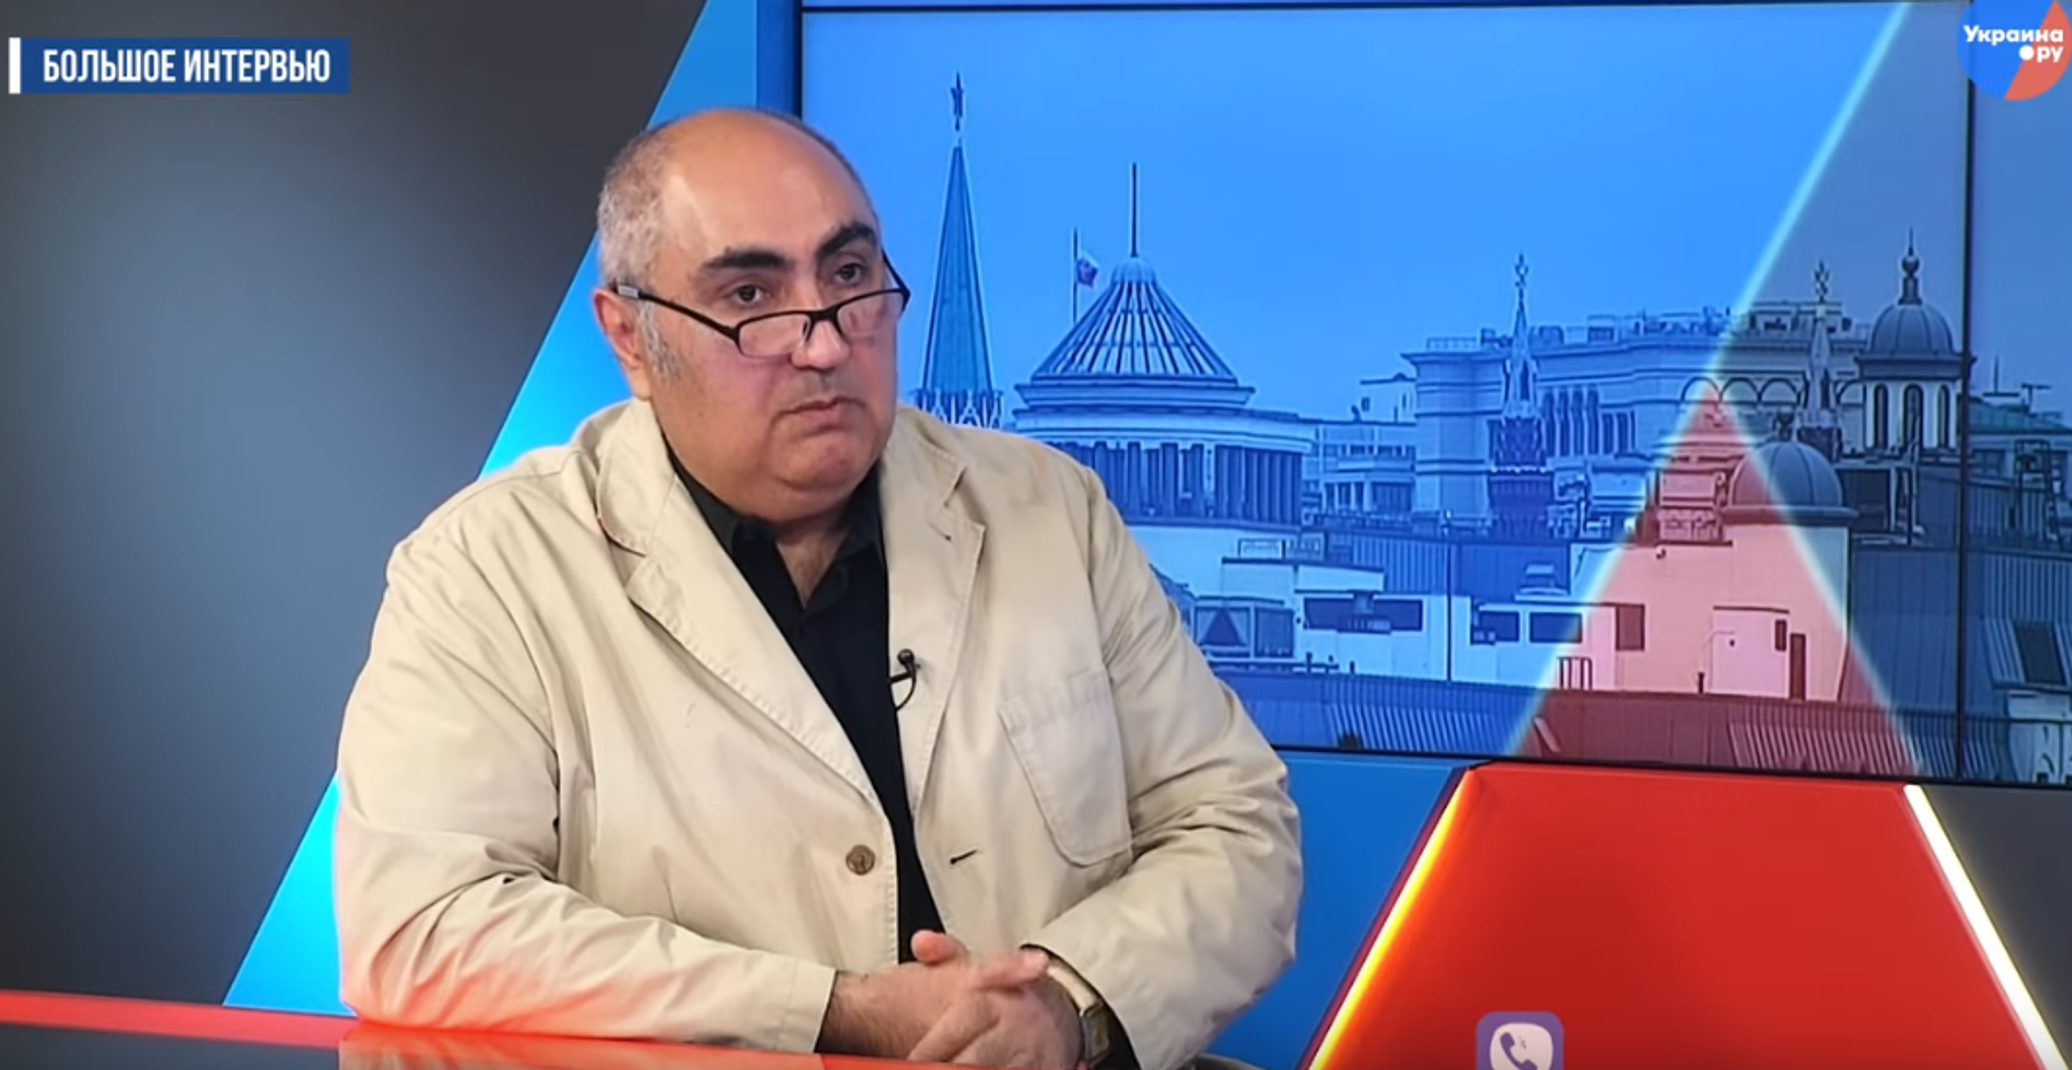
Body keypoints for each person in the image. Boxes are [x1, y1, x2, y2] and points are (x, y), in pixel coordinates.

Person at [331, 108, 1301, 1070]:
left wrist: (1067, 1001)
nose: (826, 344)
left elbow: (1236, 829)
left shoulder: (1051, 510)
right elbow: (421, 927)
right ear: (630, 337)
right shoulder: (488, 569)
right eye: (751, 294)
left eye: (847, 277)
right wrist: (836, 1010)